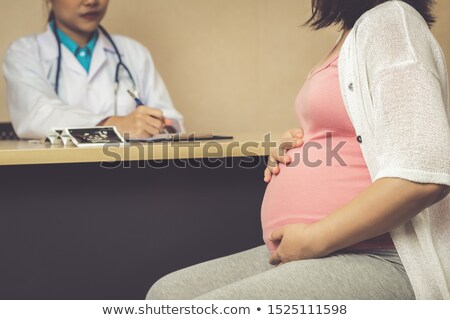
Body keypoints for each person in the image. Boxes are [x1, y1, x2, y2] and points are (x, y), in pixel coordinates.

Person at [146, 0, 450, 300]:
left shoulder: (392, 21)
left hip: (383, 256)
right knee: (167, 295)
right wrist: (303, 150)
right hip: (327, 250)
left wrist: (315, 239)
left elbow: (422, 176)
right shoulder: (353, 33)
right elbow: (354, 135)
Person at [3, 0, 184, 139]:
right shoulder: (24, 53)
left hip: (127, 176)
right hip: (55, 179)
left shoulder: (133, 52)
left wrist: (160, 126)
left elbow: (170, 120)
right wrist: (115, 125)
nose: (91, 1)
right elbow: (37, 114)